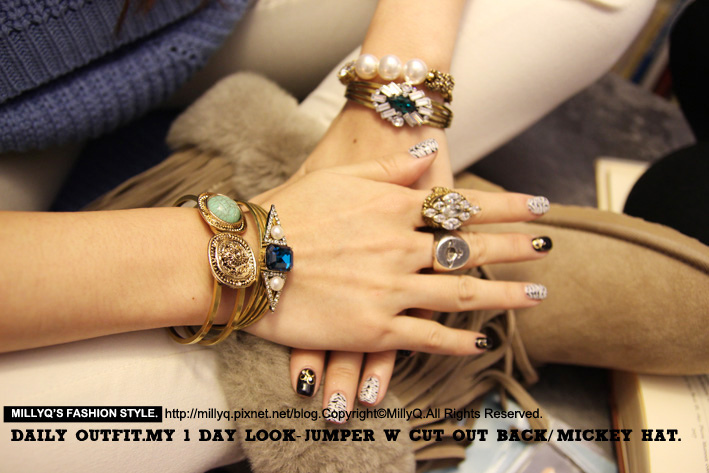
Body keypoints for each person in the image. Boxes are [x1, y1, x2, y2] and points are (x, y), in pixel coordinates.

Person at [0, 0, 655, 470]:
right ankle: (416, 281)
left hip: (185, 23)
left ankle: (368, 225)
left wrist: (395, 90)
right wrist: (254, 255)